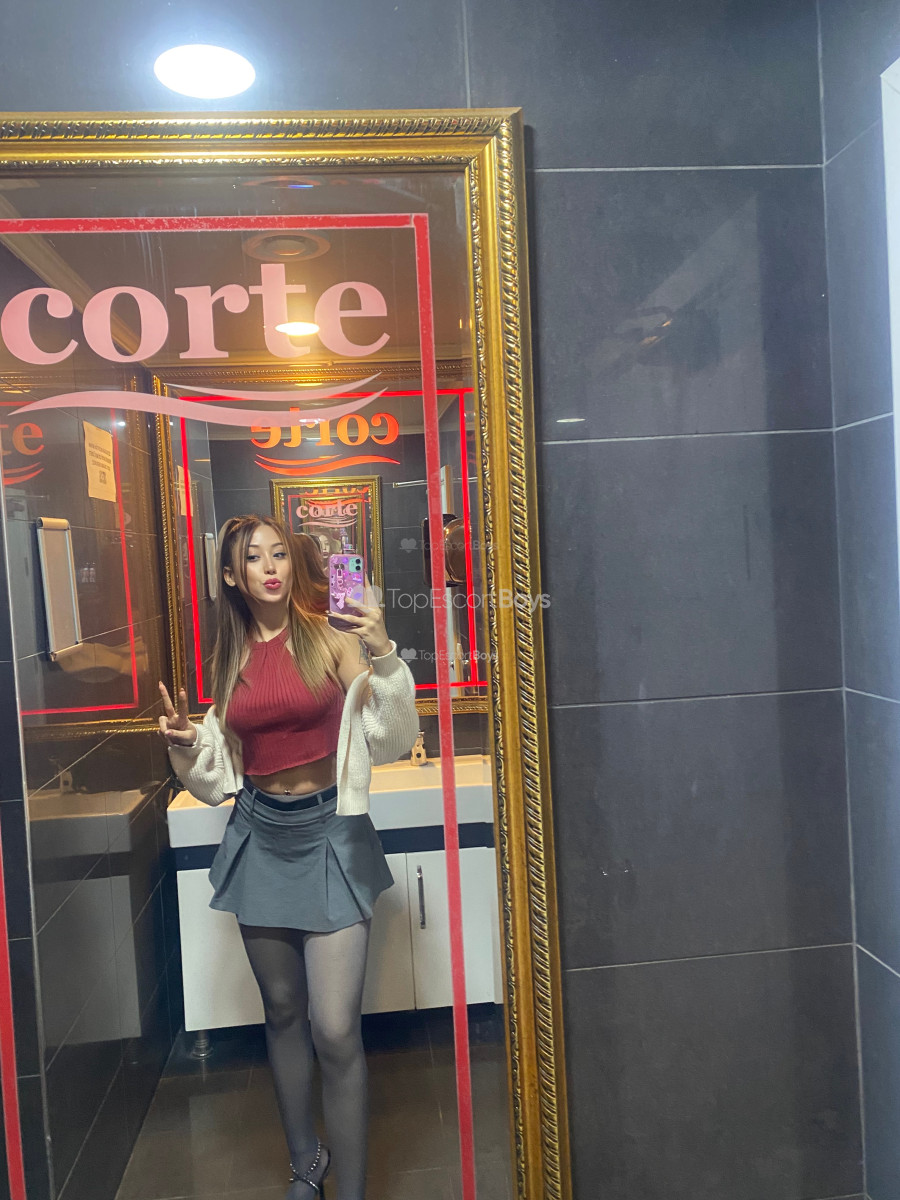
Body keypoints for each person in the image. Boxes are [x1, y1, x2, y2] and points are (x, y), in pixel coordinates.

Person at [158, 514, 419, 1200]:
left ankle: (352, 1188)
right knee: (281, 1011)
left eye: (279, 552)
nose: (271, 566)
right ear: (230, 575)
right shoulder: (230, 656)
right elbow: (216, 778)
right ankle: (308, 1163)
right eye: (253, 557)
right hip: (259, 835)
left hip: (331, 835)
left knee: (334, 1030)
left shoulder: (328, 635)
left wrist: (384, 652)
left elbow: (390, 736)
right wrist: (187, 742)